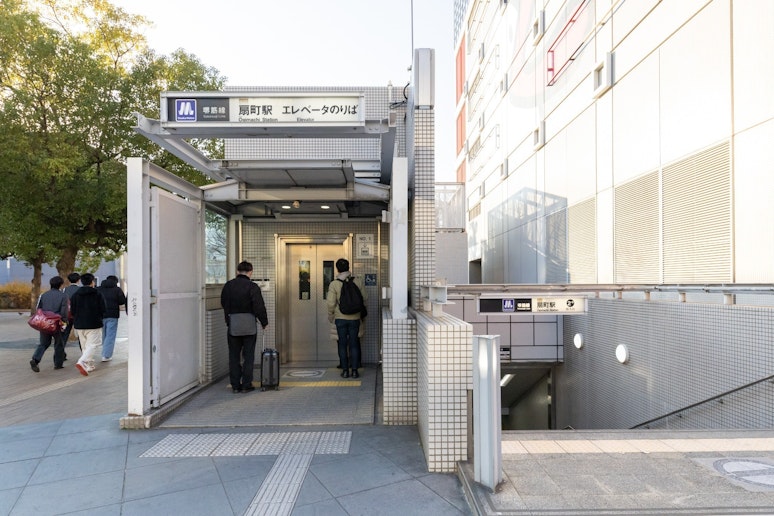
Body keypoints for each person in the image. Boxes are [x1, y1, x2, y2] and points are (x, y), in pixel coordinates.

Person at [220, 261, 268, 393]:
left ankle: (235, 385)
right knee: (249, 356)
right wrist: (264, 322)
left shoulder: (228, 286)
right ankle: (247, 384)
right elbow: (259, 306)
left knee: (234, 356)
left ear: (237, 271)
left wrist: (229, 320)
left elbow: (224, 303)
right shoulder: (253, 287)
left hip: (234, 324)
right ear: (250, 272)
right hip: (249, 325)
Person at [327, 258, 367, 379]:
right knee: (354, 343)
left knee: (342, 344)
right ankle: (354, 371)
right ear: (348, 267)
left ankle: (345, 371)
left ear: (337, 269)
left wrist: (331, 315)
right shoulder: (358, 281)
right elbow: (365, 298)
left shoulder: (334, 284)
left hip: (340, 318)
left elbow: (330, 303)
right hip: (355, 318)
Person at [70, 273, 106, 376]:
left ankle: (88, 365)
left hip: (79, 324)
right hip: (94, 323)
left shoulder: (75, 295)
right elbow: (103, 309)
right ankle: (82, 361)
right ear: (92, 282)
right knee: (93, 344)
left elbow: (72, 310)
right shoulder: (97, 294)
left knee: (85, 346)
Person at [29, 276, 69, 372]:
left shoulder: (44, 295)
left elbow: (39, 308)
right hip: (56, 323)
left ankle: (35, 359)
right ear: (61, 285)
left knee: (43, 343)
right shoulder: (64, 296)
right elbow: (64, 311)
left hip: (45, 322)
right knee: (59, 343)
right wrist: (65, 321)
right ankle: (58, 364)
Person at [97, 275, 126, 362]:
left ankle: (105, 351)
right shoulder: (117, 290)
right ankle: (106, 355)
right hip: (113, 315)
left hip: (100, 314)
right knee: (110, 335)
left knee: (103, 335)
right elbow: (122, 301)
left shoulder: (98, 289)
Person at [61, 272, 81, 357]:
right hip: (78, 315)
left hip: (67, 315)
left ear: (69, 280)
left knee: (64, 335)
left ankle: (60, 353)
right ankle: (84, 354)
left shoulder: (64, 290)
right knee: (81, 335)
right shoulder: (80, 289)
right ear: (78, 280)